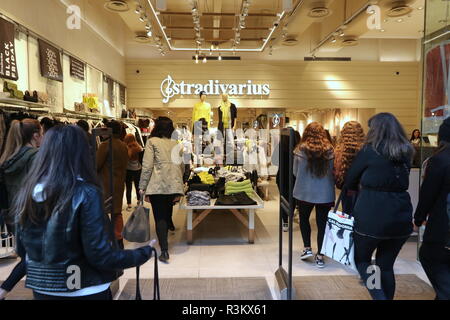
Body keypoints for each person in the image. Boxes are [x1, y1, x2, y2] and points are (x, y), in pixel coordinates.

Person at [11, 125, 153, 300]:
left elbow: (22, 250)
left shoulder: (27, 192)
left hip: (43, 288)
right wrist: (142, 254)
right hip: (85, 286)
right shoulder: (85, 193)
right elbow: (99, 255)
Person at [344, 113, 414, 300]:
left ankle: (378, 295)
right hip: (401, 215)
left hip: (372, 215)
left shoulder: (369, 150)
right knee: (385, 265)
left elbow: (349, 180)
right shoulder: (406, 150)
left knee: (363, 261)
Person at [0, 119, 42, 300]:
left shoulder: (8, 158)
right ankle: (3, 290)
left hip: (13, 214)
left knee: (28, 258)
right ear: (35, 135)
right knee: (32, 258)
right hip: (32, 214)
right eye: (41, 133)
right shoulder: (35, 156)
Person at [139, 117, 184, 263]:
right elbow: (181, 166)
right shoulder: (175, 143)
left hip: (157, 185)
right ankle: (169, 225)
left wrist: (142, 187)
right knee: (167, 207)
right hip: (173, 184)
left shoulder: (152, 142)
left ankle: (164, 250)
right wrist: (179, 183)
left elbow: (147, 167)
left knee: (159, 217)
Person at [414, 117, 450, 300]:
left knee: (429, 257)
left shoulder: (440, 160)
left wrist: (418, 219)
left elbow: (428, 194)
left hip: (443, 227)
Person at [293, 122, 335, 268]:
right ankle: (320, 255)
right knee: (322, 223)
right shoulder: (330, 151)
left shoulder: (300, 150)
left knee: (304, 219)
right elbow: (333, 172)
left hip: (305, 191)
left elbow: (295, 172)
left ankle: (307, 248)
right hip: (325, 193)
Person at [97, 120, 129, 249]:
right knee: (116, 212)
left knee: (102, 211)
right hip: (119, 182)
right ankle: (118, 238)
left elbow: (96, 164)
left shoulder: (105, 145)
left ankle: (106, 238)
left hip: (106, 183)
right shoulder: (123, 145)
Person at [334, 121, 365, 214]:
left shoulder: (339, 150)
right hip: (363, 189)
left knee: (347, 216)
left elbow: (336, 172)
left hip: (346, 189)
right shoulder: (366, 149)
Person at [274, 130, 301, 232]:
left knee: (283, 199)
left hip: (281, 176)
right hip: (294, 177)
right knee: (292, 199)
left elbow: (274, 161)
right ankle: (289, 216)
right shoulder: (298, 149)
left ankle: (285, 222)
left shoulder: (280, 147)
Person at [124, 134, 143, 211]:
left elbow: (126, 158)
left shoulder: (126, 147)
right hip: (138, 169)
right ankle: (139, 201)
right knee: (138, 186)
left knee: (128, 187)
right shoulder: (139, 147)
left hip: (128, 170)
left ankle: (129, 204)